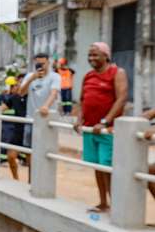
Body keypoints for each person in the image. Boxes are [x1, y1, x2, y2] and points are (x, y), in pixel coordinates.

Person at [73, 42, 128, 213]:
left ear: (106, 55)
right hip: (90, 129)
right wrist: (79, 119)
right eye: (90, 55)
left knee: (107, 166)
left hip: (107, 130)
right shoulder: (88, 76)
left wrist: (105, 121)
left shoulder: (117, 73)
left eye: (95, 55)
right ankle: (103, 202)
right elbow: (82, 100)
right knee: (97, 166)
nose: (92, 58)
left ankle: (116, 205)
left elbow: (122, 98)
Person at [18, 53, 61, 149]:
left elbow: (53, 93)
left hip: (47, 118)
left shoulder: (55, 76)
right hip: (31, 117)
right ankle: (31, 165)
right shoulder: (30, 76)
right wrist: (31, 79)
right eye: (38, 64)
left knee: (47, 148)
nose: (41, 66)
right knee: (29, 148)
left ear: (48, 63)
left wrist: (46, 106)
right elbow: (21, 93)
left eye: (43, 63)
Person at [0, 75, 28, 180]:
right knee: (10, 156)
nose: (18, 86)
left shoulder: (31, 98)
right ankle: (16, 178)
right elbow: (2, 107)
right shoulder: (13, 97)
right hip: (17, 131)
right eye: (16, 84)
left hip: (28, 131)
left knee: (29, 159)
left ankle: (31, 182)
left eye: (20, 83)